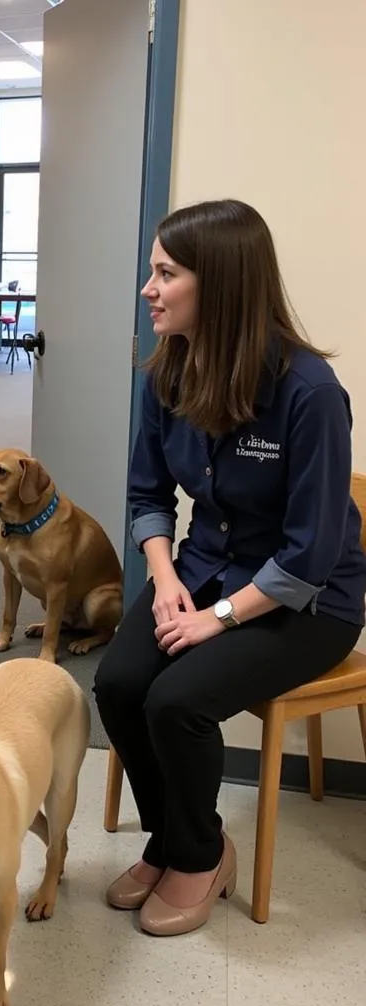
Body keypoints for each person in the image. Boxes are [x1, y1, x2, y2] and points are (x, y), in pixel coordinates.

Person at [93, 198, 366, 937]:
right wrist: (168, 579)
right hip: (203, 571)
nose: (149, 288)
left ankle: (194, 858)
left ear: (221, 284)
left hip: (310, 603)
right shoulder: (166, 373)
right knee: (119, 684)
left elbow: (310, 552)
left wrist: (216, 618)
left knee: (176, 701)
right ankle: (185, 841)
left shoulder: (308, 393)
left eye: (165, 273)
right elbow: (147, 494)